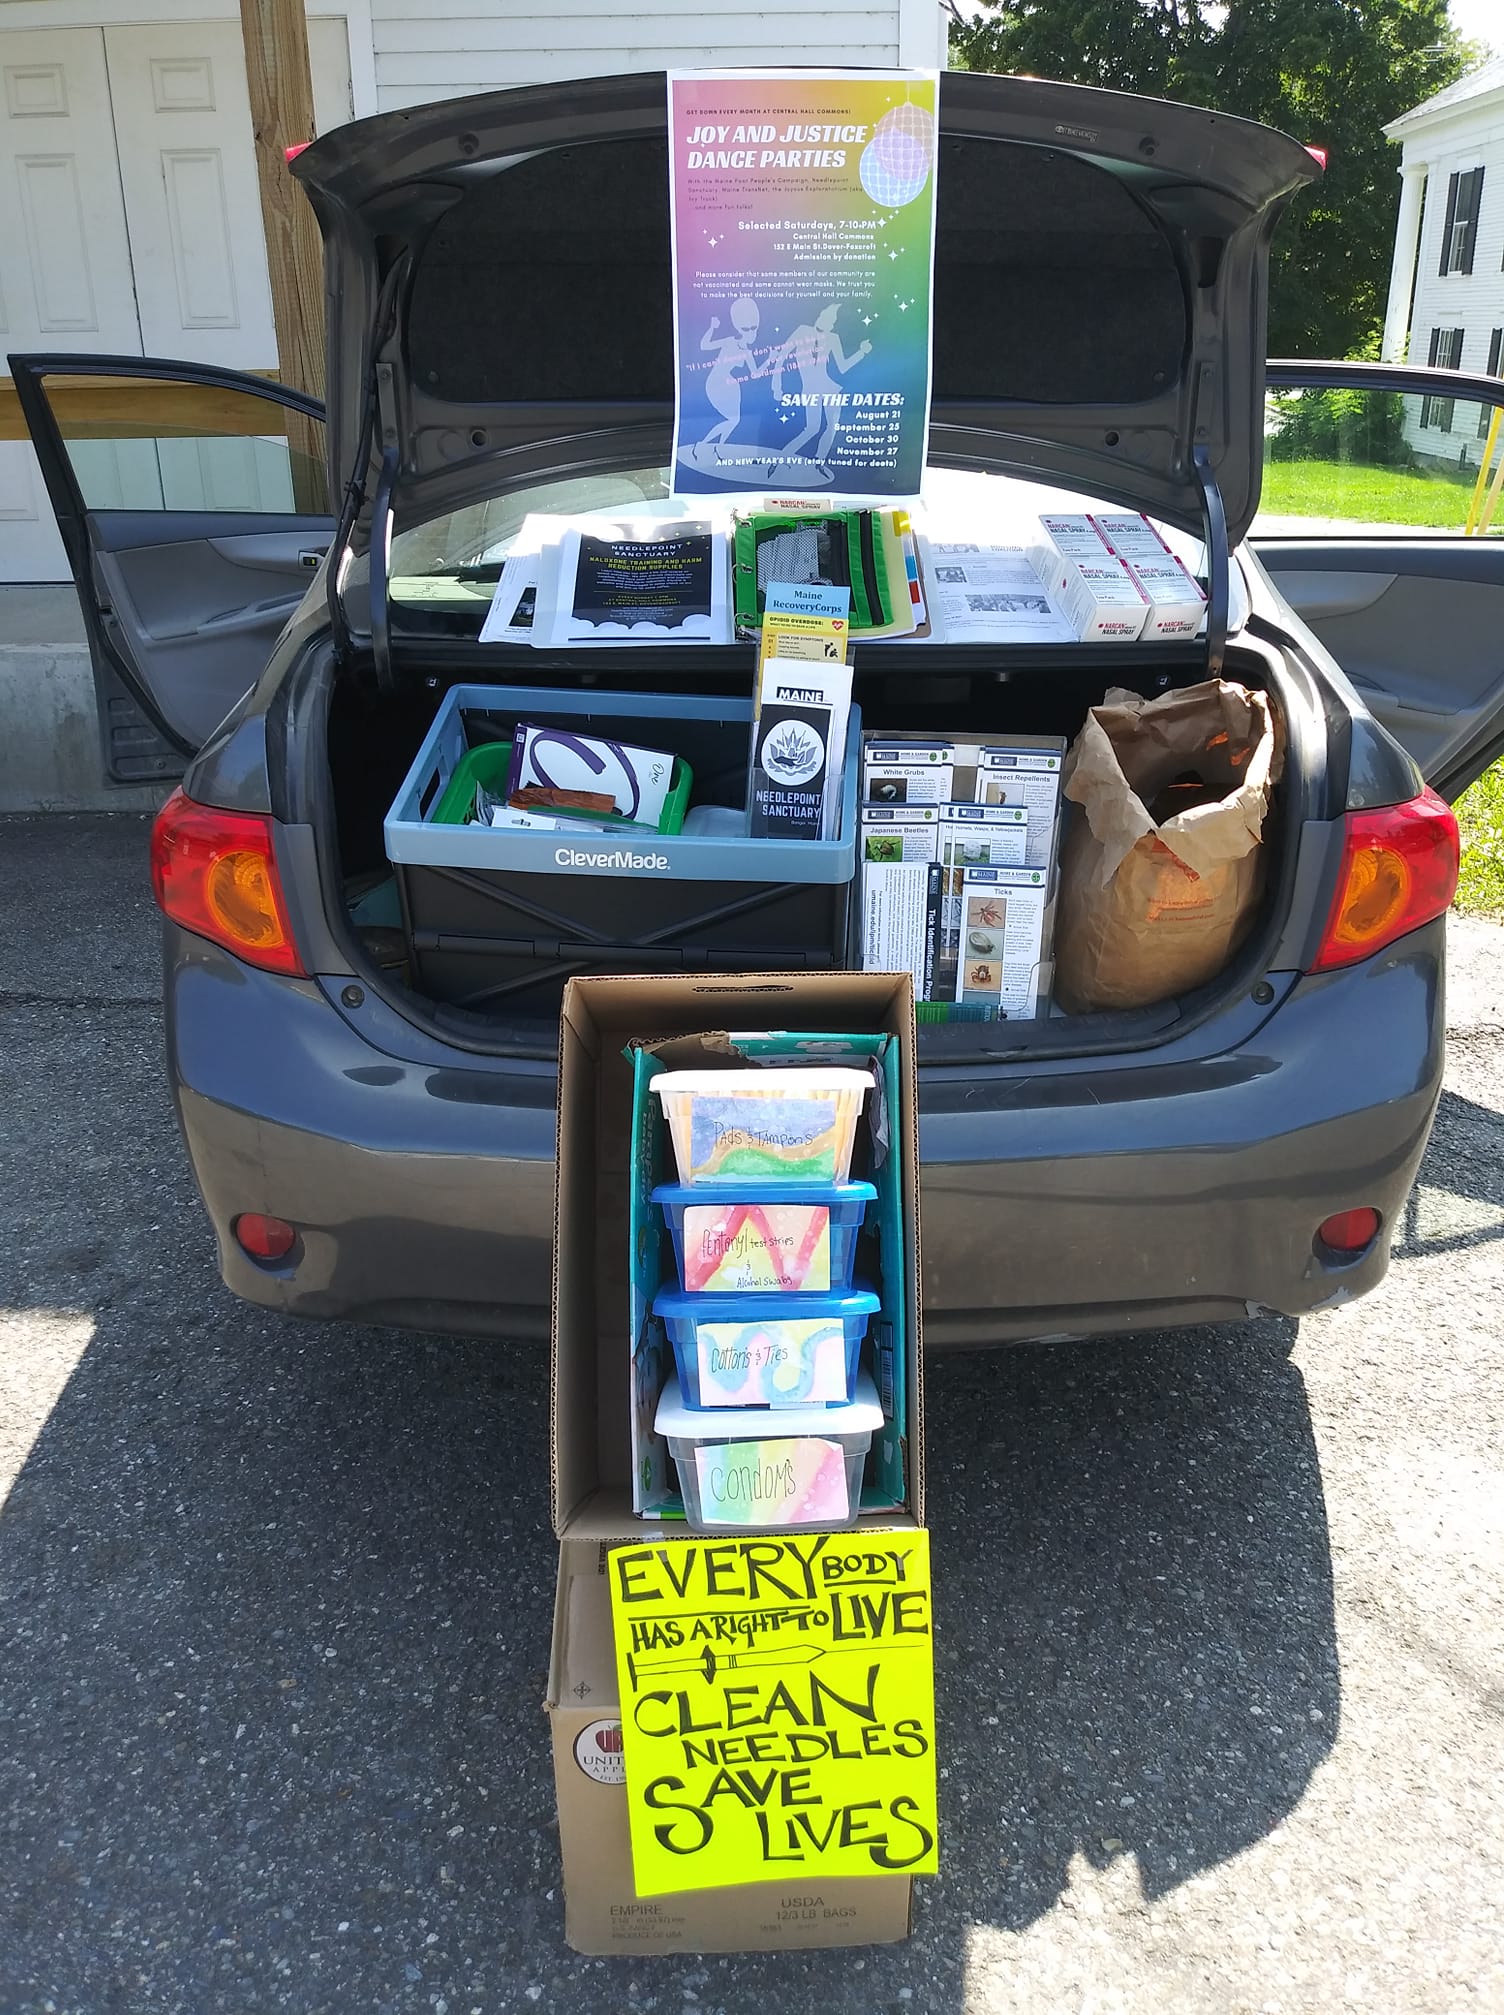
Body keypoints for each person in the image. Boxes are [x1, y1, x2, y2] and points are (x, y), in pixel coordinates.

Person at [771, 304, 873, 472]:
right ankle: (780, 458)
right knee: (811, 429)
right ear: (821, 314)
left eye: (834, 321)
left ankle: (819, 461)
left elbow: (843, 367)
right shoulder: (802, 331)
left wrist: (861, 352)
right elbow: (782, 356)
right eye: (829, 318)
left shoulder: (833, 338)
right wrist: (777, 386)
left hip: (830, 389)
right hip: (810, 390)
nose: (831, 323)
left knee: (832, 425)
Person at [698, 299, 761, 449]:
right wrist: (712, 328)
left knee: (735, 420)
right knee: (732, 420)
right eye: (746, 329)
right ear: (739, 328)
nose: (751, 333)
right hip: (716, 382)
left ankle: (718, 448)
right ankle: (702, 444)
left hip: (731, 385)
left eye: (754, 328)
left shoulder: (747, 352)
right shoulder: (729, 341)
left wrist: (770, 360)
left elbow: (756, 374)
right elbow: (704, 346)